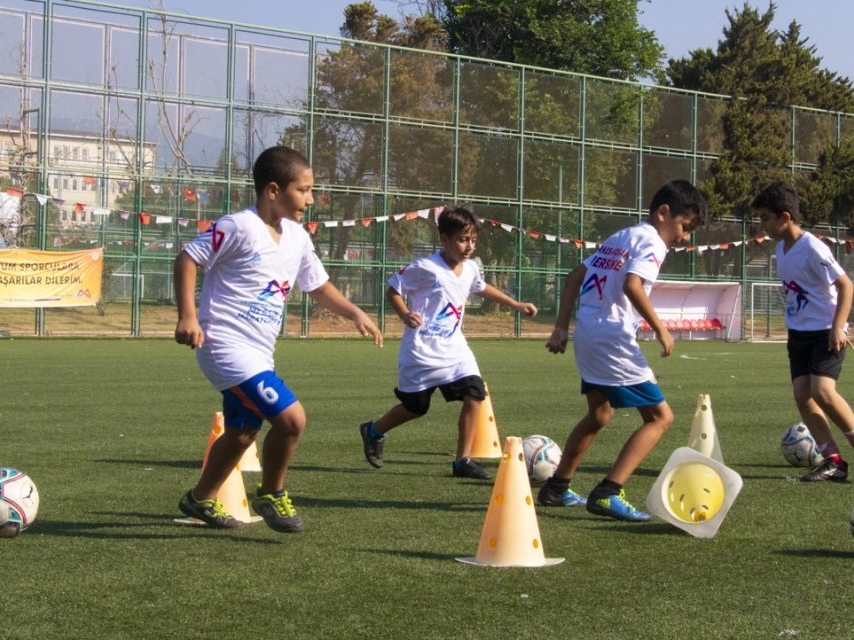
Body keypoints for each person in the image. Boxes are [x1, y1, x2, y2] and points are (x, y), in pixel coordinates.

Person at [173, 145, 383, 533]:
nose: (311, 199)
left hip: (259, 353)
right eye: (303, 190)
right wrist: (188, 315)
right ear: (273, 190)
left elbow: (317, 286)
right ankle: (272, 493)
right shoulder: (238, 226)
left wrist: (354, 312)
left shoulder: (298, 237)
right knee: (291, 420)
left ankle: (200, 498)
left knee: (241, 434)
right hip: (224, 347)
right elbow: (188, 257)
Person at [535, 179, 707, 522]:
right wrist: (660, 328)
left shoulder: (620, 237)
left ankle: (557, 487)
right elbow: (632, 285)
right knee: (661, 418)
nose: (684, 237)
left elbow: (573, 277)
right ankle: (608, 492)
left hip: (588, 333)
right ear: (664, 213)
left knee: (600, 414)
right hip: (613, 338)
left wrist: (560, 326)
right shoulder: (653, 243)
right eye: (685, 227)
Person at [358, 207, 539, 480]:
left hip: (455, 350)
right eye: (463, 240)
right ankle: (373, 430)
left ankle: (462, 461)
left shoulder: (470, 268)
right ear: (444, 239)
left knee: (476, 393)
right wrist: (405, 313)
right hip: (422, 351)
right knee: (415, 407)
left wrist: (514, 303)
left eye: (473, 240)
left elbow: (481, 287)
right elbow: (393, 288)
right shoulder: (426, 268)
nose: (469, 247)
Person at [751, 181, 854, 483]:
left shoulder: (813, 248)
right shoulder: (782, 249)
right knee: (802, 396)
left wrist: (838, 327)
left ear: (785, 217)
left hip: (825, 332)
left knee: (822, 392)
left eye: (766, 218)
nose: (763, 225)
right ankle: (833, 461)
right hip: (798, 334)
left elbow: (846, 285)